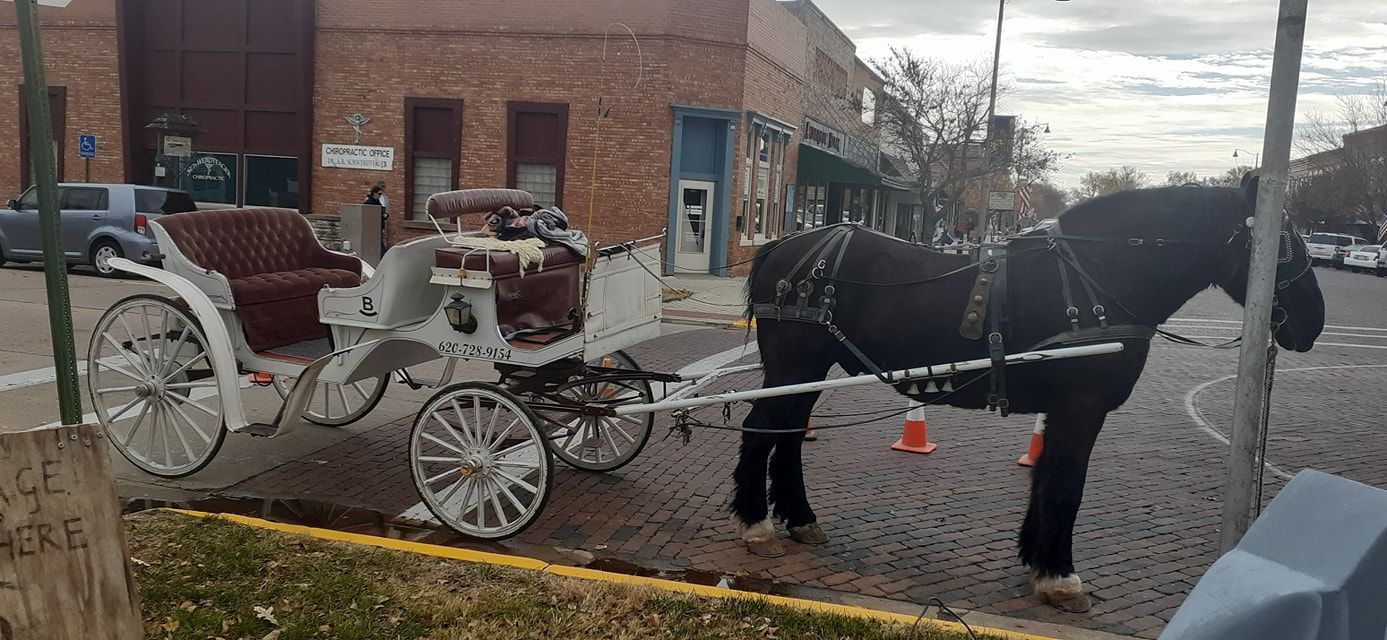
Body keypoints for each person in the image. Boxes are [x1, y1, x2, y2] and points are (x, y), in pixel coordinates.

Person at [364, 184, 388, 257]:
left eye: (381, 194)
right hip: (373, 227)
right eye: (379, 194)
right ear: (374, 193)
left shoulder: (377, 202)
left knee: (380, 243)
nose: (380, 196)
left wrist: (385, 215)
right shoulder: (369, 202)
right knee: (379, 244)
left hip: (378, 226)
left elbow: (381, 212)